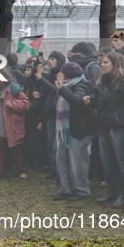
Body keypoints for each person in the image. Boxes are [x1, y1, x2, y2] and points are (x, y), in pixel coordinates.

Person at [36, 62, 96, 201]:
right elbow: (54, 90)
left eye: (62, 73)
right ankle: (66, 189)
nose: (59, 75)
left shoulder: (81, 85)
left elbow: (76, 101)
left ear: (67, 75)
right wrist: (41, 79)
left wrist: (62, 88)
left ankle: (81, 190)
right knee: (61, 159)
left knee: (77, 162)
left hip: (78, 130)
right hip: (64, 129)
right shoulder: (66, 85)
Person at [93, 52, 124, 208]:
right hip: (104, 126)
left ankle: (123, 195)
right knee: (106, 162)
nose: (102, 64)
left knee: (122, 163)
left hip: (120, 127)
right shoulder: (102, 83)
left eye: (106, 62)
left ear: (115, 65)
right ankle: (112, 192)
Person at [0, 68, 30, 183]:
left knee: (17, 152)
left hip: (12, 127)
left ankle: (22, 170)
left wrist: (13, 104)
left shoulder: (14, 89)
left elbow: (26, 103)